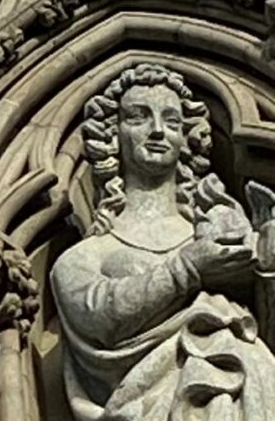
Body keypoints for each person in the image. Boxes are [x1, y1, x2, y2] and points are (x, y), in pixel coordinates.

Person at [51, 64, 275, 421]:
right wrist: (187, 268)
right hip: (151, 404)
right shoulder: (86, 255)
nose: (157, 131)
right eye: (139, 117)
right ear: (112, 134)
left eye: (171, 122)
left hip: (251, 392)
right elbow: (97, 317)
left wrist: (268, 266)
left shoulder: (219, 224)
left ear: (186, 138)